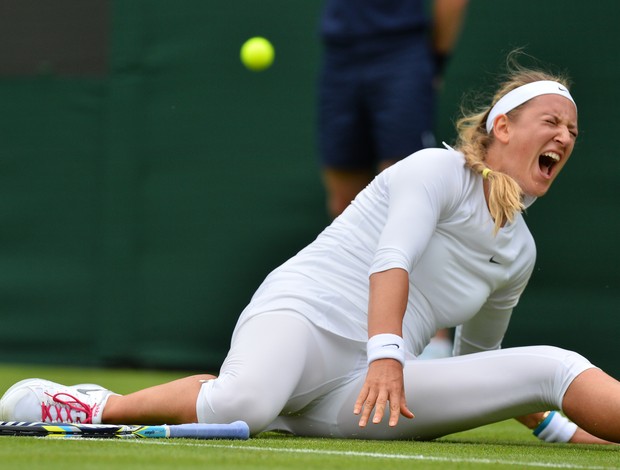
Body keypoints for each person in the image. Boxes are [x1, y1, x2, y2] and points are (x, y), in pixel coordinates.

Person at [2, 53, 620, 445]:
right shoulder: (434, 170)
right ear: (502, 128)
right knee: (241, 405)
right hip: (305, 313)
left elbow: (480, 359)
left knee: (548, 366)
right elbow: (392, 259)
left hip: (376, 378)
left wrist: (558, 424)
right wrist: (386, 356)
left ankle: (283, 404)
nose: (564, 137)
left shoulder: (519, 252)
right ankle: (91, 404)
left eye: (573, 130)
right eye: (551, 122)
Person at [318, 0, 469, 219]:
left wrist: (436, 61)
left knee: (405, 194)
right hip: (339, 52)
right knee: (343, 204)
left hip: (400, 51)